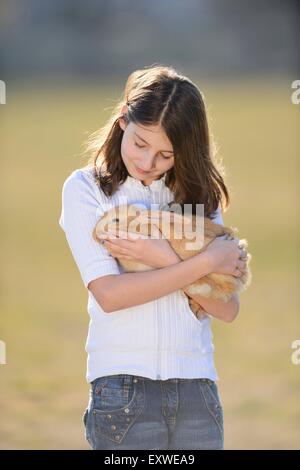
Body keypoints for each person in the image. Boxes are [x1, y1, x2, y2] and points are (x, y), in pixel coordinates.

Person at [59, 64, 248, 450]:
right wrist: (205, 263)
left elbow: (226, 309)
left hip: (198, 388)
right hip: (122, 388)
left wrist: (161, 257)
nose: (147, 163)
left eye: (165, 155)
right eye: (140, 144)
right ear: (123, 121)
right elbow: (110, 295)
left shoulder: (199, 198)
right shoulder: (87, 190)